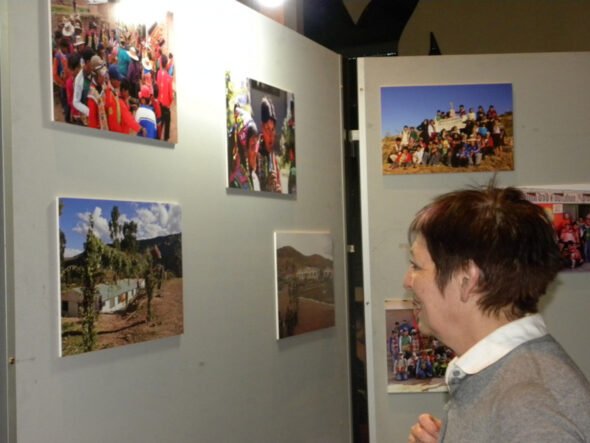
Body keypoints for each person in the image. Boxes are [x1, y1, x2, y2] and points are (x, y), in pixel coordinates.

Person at [406, 182, 590, 443]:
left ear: (466, 280)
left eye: (416, 267)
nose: (407, 280)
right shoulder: (507, 379)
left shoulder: (528, 409)